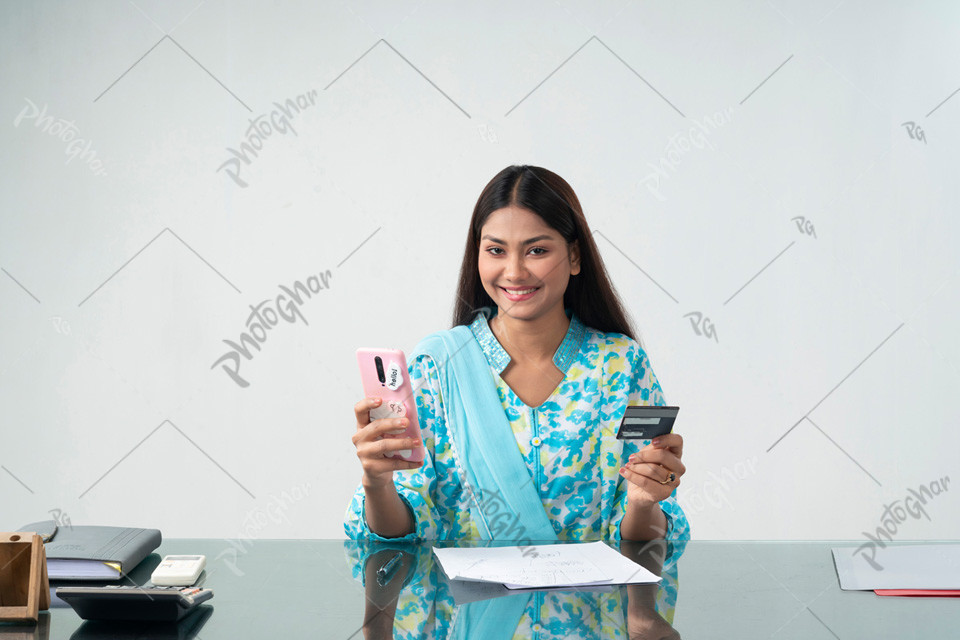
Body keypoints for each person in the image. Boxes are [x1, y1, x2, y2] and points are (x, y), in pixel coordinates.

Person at [345, 165, 690, 544]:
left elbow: (649, 540)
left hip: (592, 603)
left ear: (574, 257)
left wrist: (643, 503)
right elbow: (407, 535)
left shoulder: (624, 365)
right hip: (472, 605)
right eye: (496, 250)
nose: (514, 271)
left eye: (537, 250)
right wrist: (377, 482)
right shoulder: (437, 367)